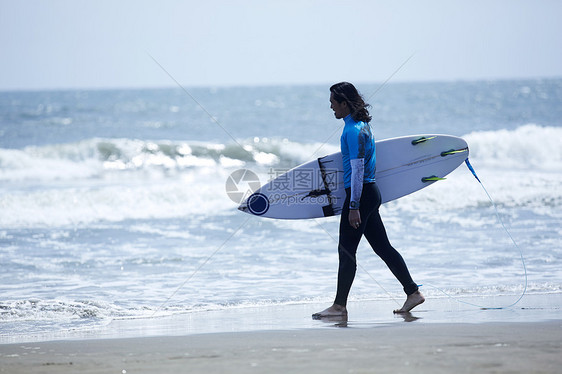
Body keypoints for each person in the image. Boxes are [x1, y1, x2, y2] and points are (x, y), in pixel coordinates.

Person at [313, 82, 425, 318]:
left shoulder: (353, 131)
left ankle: (339, 306)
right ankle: (413, 292)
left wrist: (353, 206)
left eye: (333, 102)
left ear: (344, 103)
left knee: (346, 250)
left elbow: (357, 169)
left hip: (361, 195)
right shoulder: (363, 126)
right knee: (382, 247)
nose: (331, 106)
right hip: (370, 193)